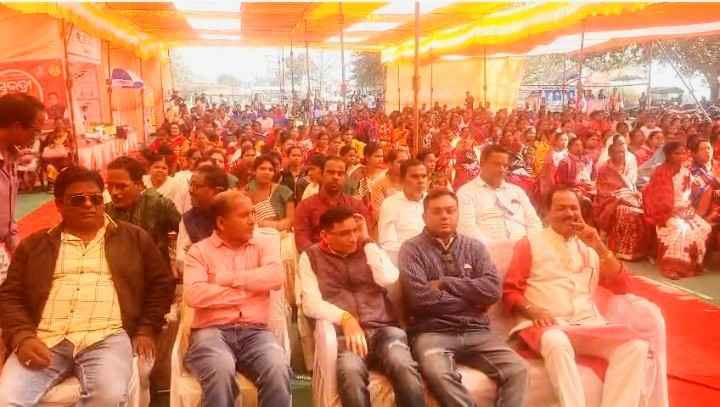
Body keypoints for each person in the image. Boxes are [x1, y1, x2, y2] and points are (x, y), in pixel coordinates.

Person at [0, 166, 175, 405]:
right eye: (78, 200)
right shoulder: (34, 245)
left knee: (109, 396)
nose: (89, 205)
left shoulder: (134, 238)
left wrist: (146, 328)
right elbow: (9, 295)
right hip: (45, 339)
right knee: (6, 399)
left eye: (95, 199)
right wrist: (22, 336)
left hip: (106, 337)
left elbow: (161, 285)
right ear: (59, 204)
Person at [503, 188, 652, 407]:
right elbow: (510, 291)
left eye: (574, 208)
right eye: (561, 208)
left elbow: (624, 286)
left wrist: (599, 245)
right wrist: (533, 310)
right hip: (547, 325)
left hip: (588, 324)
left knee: (635, 347)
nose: (569, 214)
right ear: (547, 212)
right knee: (557, 341)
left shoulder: (590, 248)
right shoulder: (530, 243)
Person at [399, 189, 528, 407]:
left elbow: (492, 291)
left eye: (450, 211)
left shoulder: (475, 247)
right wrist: (473, 301)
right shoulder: (411, 250)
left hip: (476, 331)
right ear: (424, 216)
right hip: (432, 332)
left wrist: (445, 283)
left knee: (517, 369)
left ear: (458, 213)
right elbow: (420, 299)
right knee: (439, 374)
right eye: (437, 211)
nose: (444, 216)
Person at [299, 207, 425, 407]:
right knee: (350, 375)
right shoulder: (311, 257)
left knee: (403, 366)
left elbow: (389, 278)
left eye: (354, 230)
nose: (352, 238)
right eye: (344, 233)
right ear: (325, 235)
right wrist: (345, 318)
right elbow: (310, 303)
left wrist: (367, 240)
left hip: (384, 330)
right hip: (346, 338)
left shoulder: (366, 247)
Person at [183, 190, 291, 407]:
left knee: (278, 367)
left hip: (256, 333)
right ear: (221, 223)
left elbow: (276, 277)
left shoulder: (263, 245)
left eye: (252, 213)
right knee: (220, 369)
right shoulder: (198, 252)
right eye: (244, 215)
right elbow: (194, 295)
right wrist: (248, 290)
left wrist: (226, 279)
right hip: (211, 331)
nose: (252, 220)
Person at [457, 145, 542, 269]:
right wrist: (496, 252)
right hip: (488, 257)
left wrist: (530, 246)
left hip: (525, 254)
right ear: (482, 163)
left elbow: (534, 222)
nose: (502, 169)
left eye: (505, 166)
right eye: (496, 164)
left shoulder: (517, 191)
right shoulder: (466, 193)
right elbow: (467, 229)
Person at [643, 142, 712, 279]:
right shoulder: (660, 172)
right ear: (668, 155)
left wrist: (689, 208)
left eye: (683, 153)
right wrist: (673, 210)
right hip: (665, 212)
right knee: (680, 229)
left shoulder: (686, 171)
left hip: (685, 210)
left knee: (704, 227)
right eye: (676, 153)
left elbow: (690, 194)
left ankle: (692, 264)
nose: (681, 156)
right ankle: (671, 267)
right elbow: (657, 198)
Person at [0, 93, 45, 282]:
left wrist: (19, 256)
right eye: (36, 131)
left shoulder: (10, 157)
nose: (37, 137)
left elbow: (7, 222)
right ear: (17, 126)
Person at [105, 156, 181, 263]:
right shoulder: (106, 212)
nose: (114, 192)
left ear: (139, 185)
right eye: (109, 186)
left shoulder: (159, 205)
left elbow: (185, 234)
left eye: (121, 186)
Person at [294, 156, 369, 253]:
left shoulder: (356, 206)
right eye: (331, 172)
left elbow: (364, 240)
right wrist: (323, 257)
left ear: (345, 177)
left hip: (350, 257)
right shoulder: (305, 206)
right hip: (318, 258)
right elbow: (302, 241)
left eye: (340, 174)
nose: (335, 177)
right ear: (321, 175)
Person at [593, 143, 651, 260]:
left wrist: (633, 194)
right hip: (609, 199)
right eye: (617, 152)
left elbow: (633, 186)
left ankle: (640, 250)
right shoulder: (604, 169)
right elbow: (604, 189)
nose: (621, 155)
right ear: (610, 154)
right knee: (628, 213)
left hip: (630, 196)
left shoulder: (628, 167)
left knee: (644, 210)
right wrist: (621, 196)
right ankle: (622, 249)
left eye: (622, 152)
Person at [176, 165, 230, 271]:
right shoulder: (189, 219)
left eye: (196, 186)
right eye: (190, 185)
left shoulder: (235, 214)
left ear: (217, 191)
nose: (190, 190)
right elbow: (182, 260)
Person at [377, 159, 427, 264]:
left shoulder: (431, 201)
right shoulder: (390, 204)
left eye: (423, 176)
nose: (421, 180)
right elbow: (387, 244)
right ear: (402, 179)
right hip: (403, 261)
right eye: (415, 176)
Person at [245, 155, 295, 231]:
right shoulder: (245, 192)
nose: (267, 172)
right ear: (254, 171)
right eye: (262, 168)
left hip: (280, 234)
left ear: (274, 173)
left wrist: (264, 224)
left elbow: (290, 221)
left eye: (270, 170)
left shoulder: (285, 192)